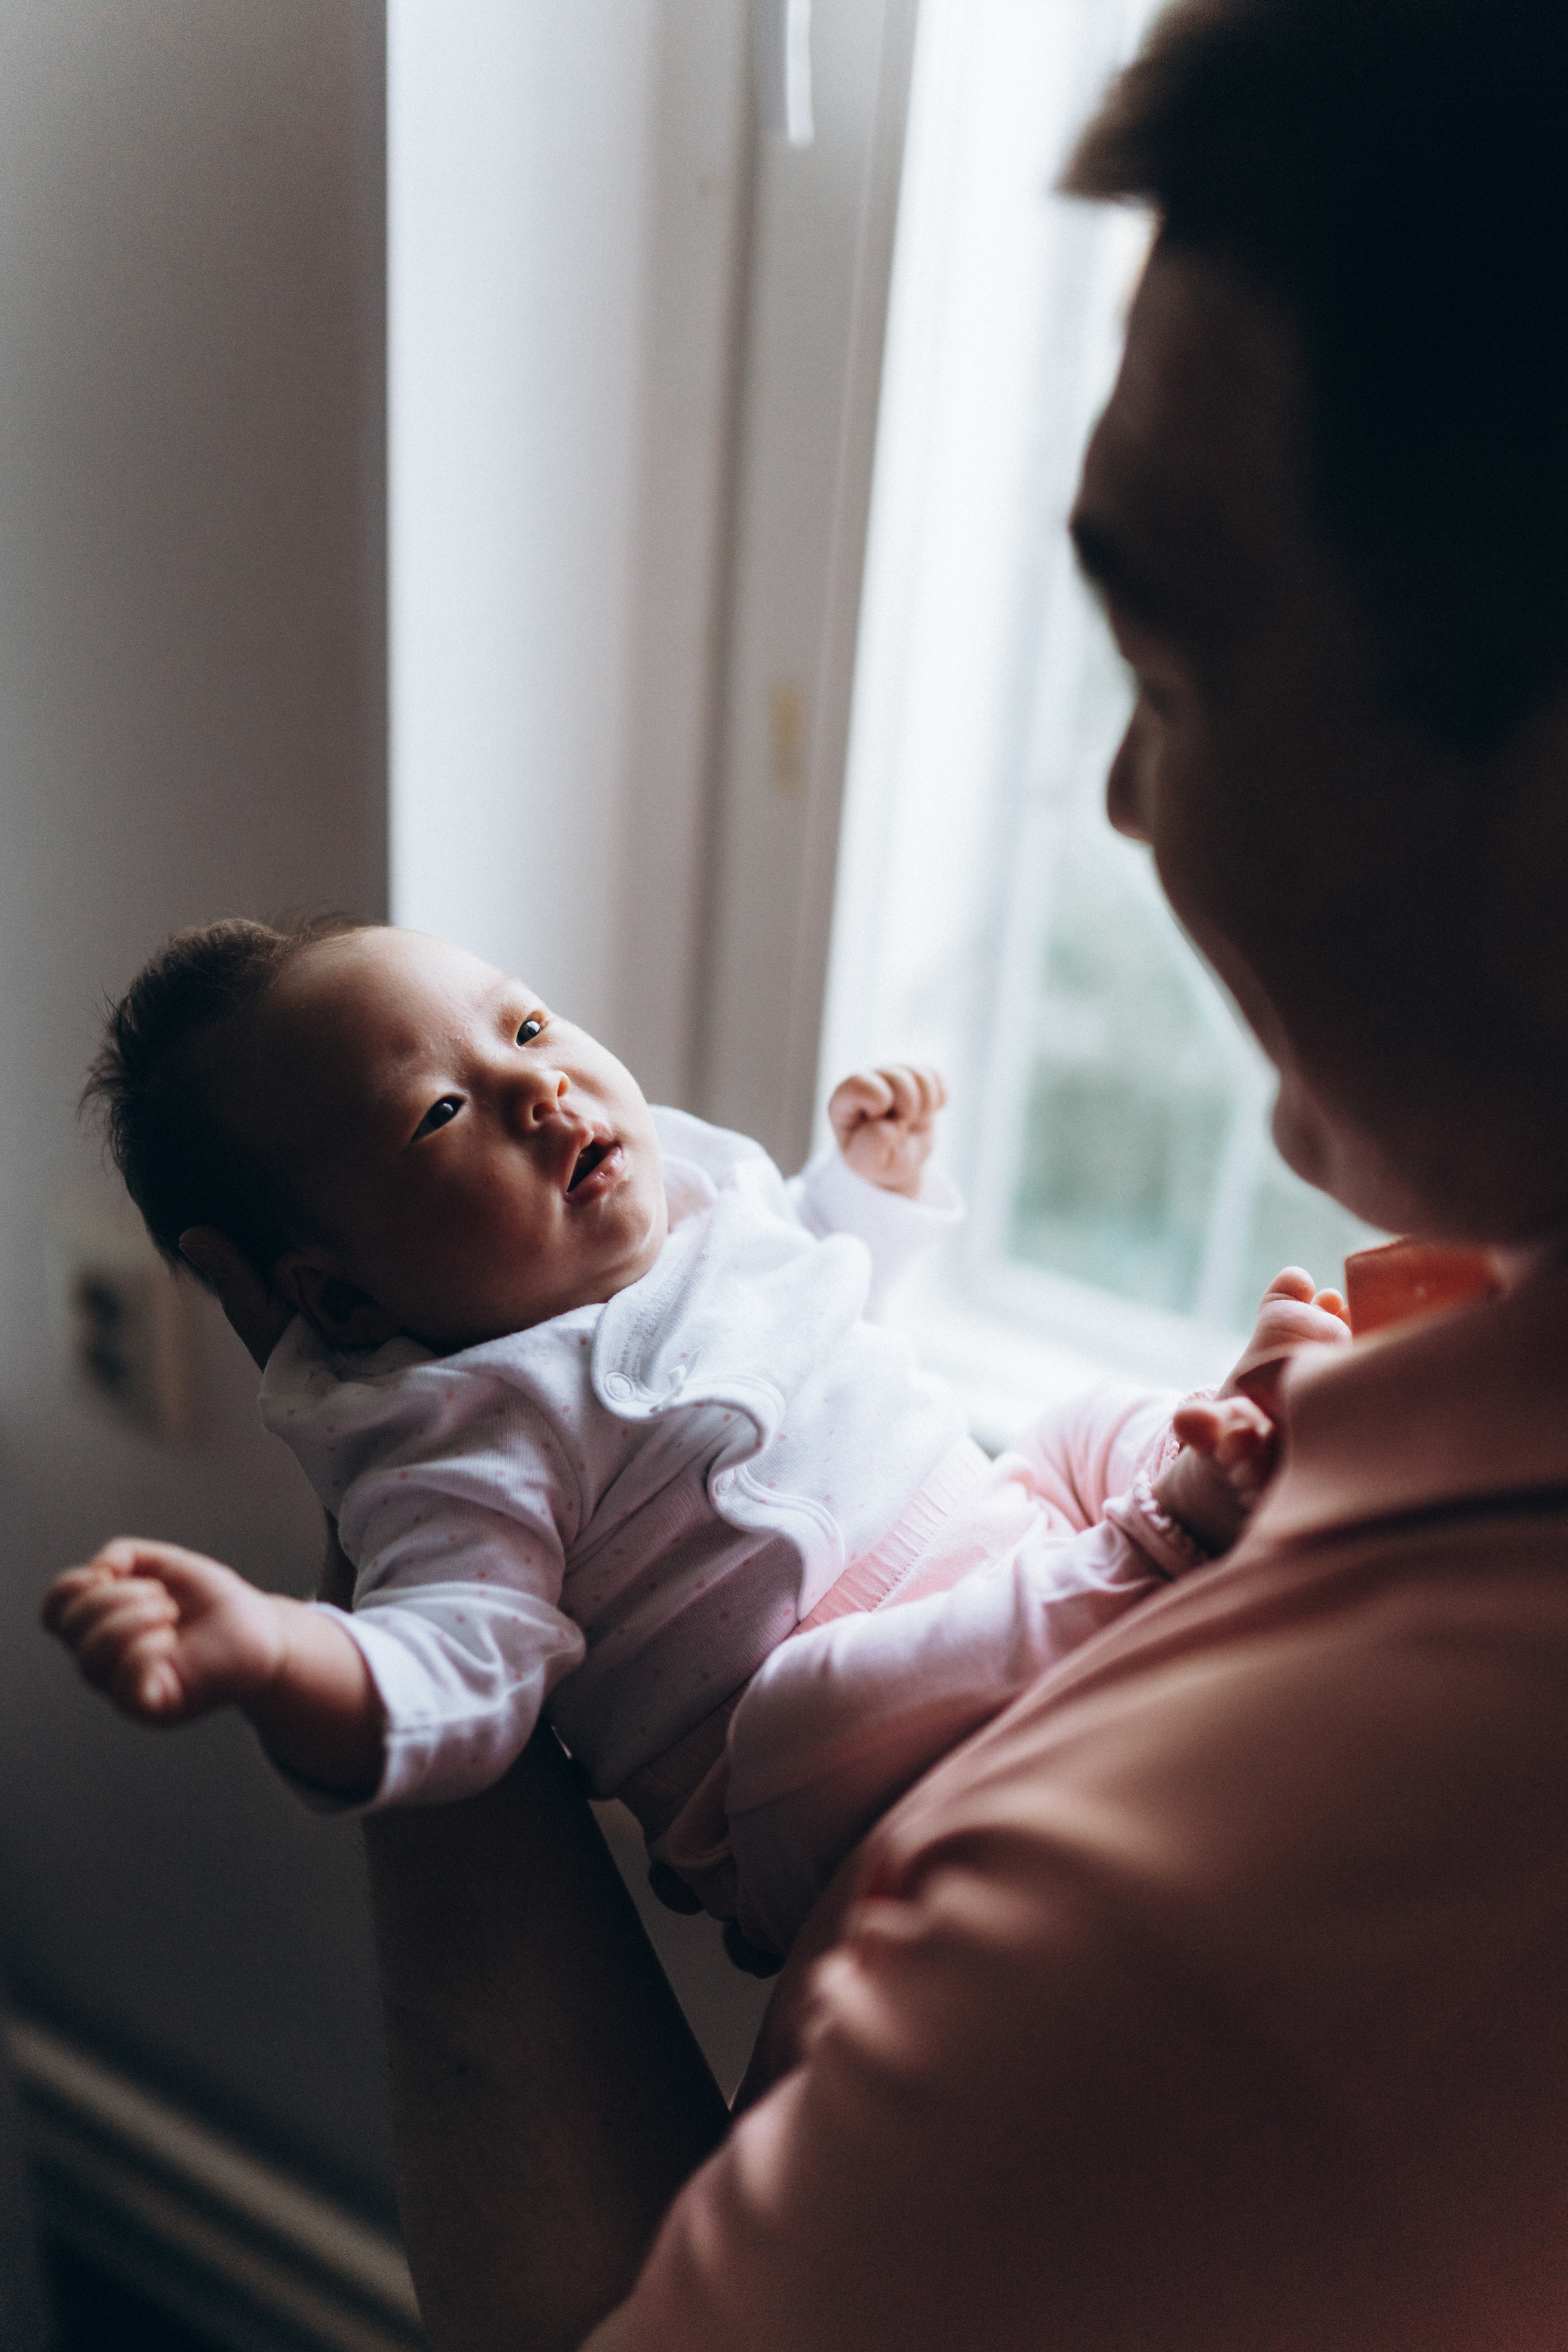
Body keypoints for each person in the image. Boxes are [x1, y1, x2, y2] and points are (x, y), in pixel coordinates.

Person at [282, 0, 1568, 2344]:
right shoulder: (1443, 1346)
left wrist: (390, 1564)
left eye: (1170, 683)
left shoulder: (1162, 1959)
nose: (1120, 805)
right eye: (448, 1101)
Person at [43, 918, 1337, 1964]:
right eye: (440, 1115)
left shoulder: (697, 1207)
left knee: (1068, 1427)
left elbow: (810, 1326)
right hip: (820, 1779)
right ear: (337, 1296)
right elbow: (451, 1664)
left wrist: (861, 1201)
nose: (535, 1087)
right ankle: (1171, 1540)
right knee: (808, 1698)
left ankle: (1198, 1467)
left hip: (1002, 1575)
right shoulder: (465, 1436)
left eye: (526, 1025)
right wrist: (279, 1655)